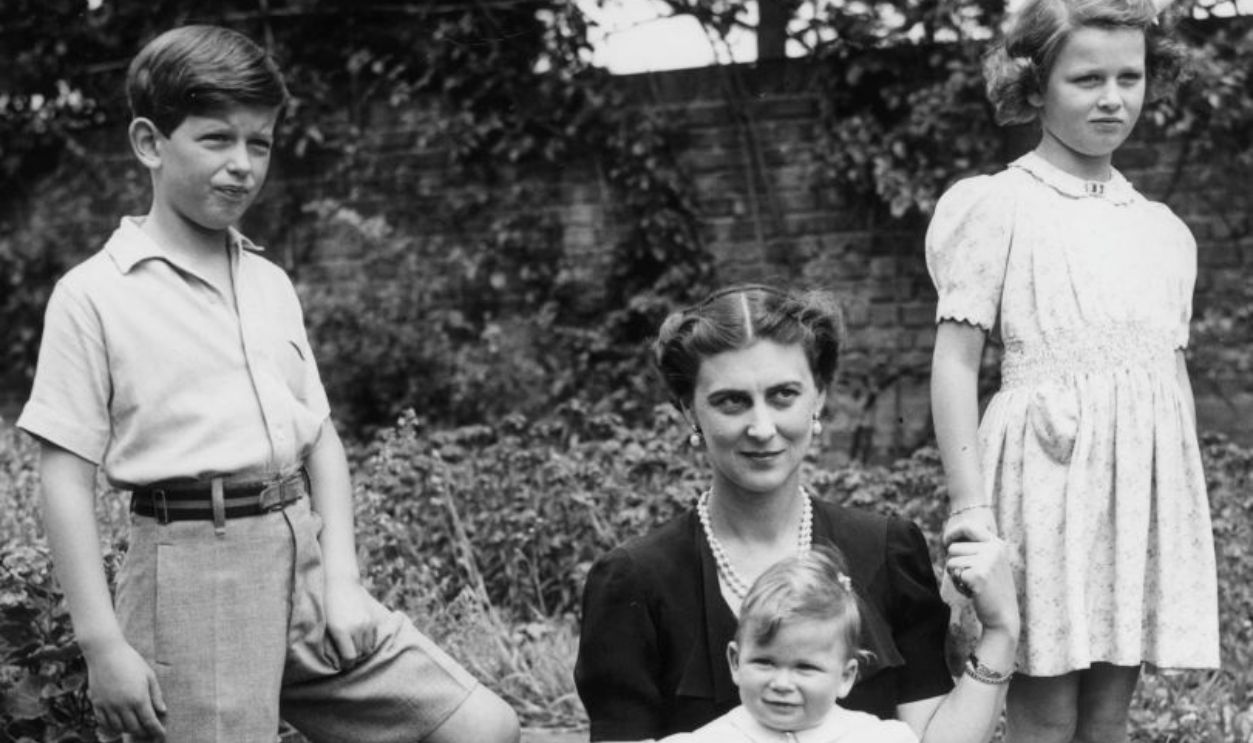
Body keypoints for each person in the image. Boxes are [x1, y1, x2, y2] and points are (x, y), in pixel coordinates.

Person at [16, 25, 519, 743]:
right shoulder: (94, 293)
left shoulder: (269, 280)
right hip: (191, 575)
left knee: (479, 725)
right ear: (149, 143)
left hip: (303, 563)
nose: (242, 165)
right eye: (216, 139)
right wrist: (102, 644)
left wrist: (341, 580)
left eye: (260, 143)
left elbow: (320, 439)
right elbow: (62, 476)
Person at [926, 0, 1220, 739]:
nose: (1112, 97)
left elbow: (1164, 386)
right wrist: (968, 505)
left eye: (1131, 76)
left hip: (1132, 491)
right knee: (1044, 710)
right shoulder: (998, 205)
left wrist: (1170, 507)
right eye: (1086, 78)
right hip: (1044, 481)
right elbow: (956, 364)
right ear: (1035, 84)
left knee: (1107, 714)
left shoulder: (1162, 231)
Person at [575, 285, 1021, 743]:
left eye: (784, 394)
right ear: (690, 410)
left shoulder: (887, 551)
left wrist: (1001, 633)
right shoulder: (635, 582)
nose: (762, 428)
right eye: (731, 401)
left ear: (819, 397)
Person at [659, 547, 919, 743]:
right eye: (764, 662)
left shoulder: (875, 738)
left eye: (805, 667)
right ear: (736, 662)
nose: (782, 684)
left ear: (845, 676)